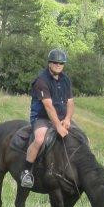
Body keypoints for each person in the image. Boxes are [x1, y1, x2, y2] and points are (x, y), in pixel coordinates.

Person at [21, 48, 74, 189]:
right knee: (39, 139)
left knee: (82, 138)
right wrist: (58, 127)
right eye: (55, 62)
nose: (58, 65)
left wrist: (68, 119)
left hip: (62, 118)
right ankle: (26, 172)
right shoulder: (41, 80)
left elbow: (70, 102)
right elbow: (48, 106)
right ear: (49, 63)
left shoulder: (66, 79)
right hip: (42, 118)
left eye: (61, 63)